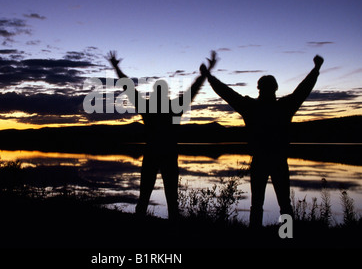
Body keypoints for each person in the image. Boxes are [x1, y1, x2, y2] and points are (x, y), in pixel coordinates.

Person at [200, 51, 324, 227]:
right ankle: (285, 236)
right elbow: (303, 90)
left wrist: (209, 77)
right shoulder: (283, 107)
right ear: (275, 88)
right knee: (283, 204)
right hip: (278, 160)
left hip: (262, 160)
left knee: (258, 204)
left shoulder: (252, 107)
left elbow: (226, 93)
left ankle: (256, 238)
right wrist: (316, 69)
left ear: (259, 89)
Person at [109, 50, 214, 220]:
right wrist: (206, 72)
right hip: (168, 155)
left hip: (154, 154)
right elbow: (193, 89)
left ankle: (143, 224)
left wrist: (116, 67)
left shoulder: (148, 108)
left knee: (148, 197)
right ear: (166, 94)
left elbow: (128, 87)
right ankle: (171, 227)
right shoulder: (174, 108)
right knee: (171, 198)